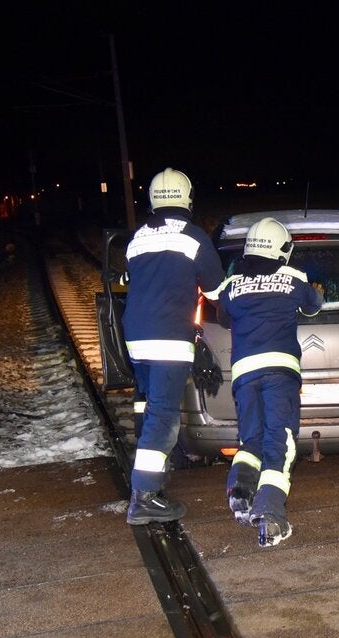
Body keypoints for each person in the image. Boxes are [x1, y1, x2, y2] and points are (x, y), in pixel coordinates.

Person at [122, 168, 225, 525]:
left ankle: (152, 474)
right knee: (164, 415)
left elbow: (129, 279)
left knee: (150, 407)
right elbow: (216, 291)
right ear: (187, 198)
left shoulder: (137, 239)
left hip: (137, 338)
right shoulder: (194, 238)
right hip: (170, 338)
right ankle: (144, 497)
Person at [214, 217, 324, 546]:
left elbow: (222, 316)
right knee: (280, 445)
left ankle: (241, 489)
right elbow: (313, 304)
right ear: (281, 250)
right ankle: (270, 515)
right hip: (279, 372)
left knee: (252, 439)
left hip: (245, 374)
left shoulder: (232, 284)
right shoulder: (293, 278)